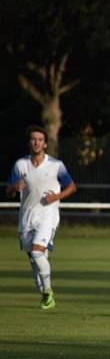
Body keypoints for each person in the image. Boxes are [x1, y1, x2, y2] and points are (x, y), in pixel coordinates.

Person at [5, 125, 77, 309]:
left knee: (37, 252)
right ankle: (42, 289)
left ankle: (48, 292)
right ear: (29, 143)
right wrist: (14, 188)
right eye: (33, 139)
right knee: (34, 258)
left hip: (48, 216)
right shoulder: (21, 165)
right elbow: (9, 191)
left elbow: (72, 187)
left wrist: (56, 197)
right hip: (27, 218)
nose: (36, 142)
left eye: (40, 139)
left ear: (45, 144)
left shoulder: (56, 165)